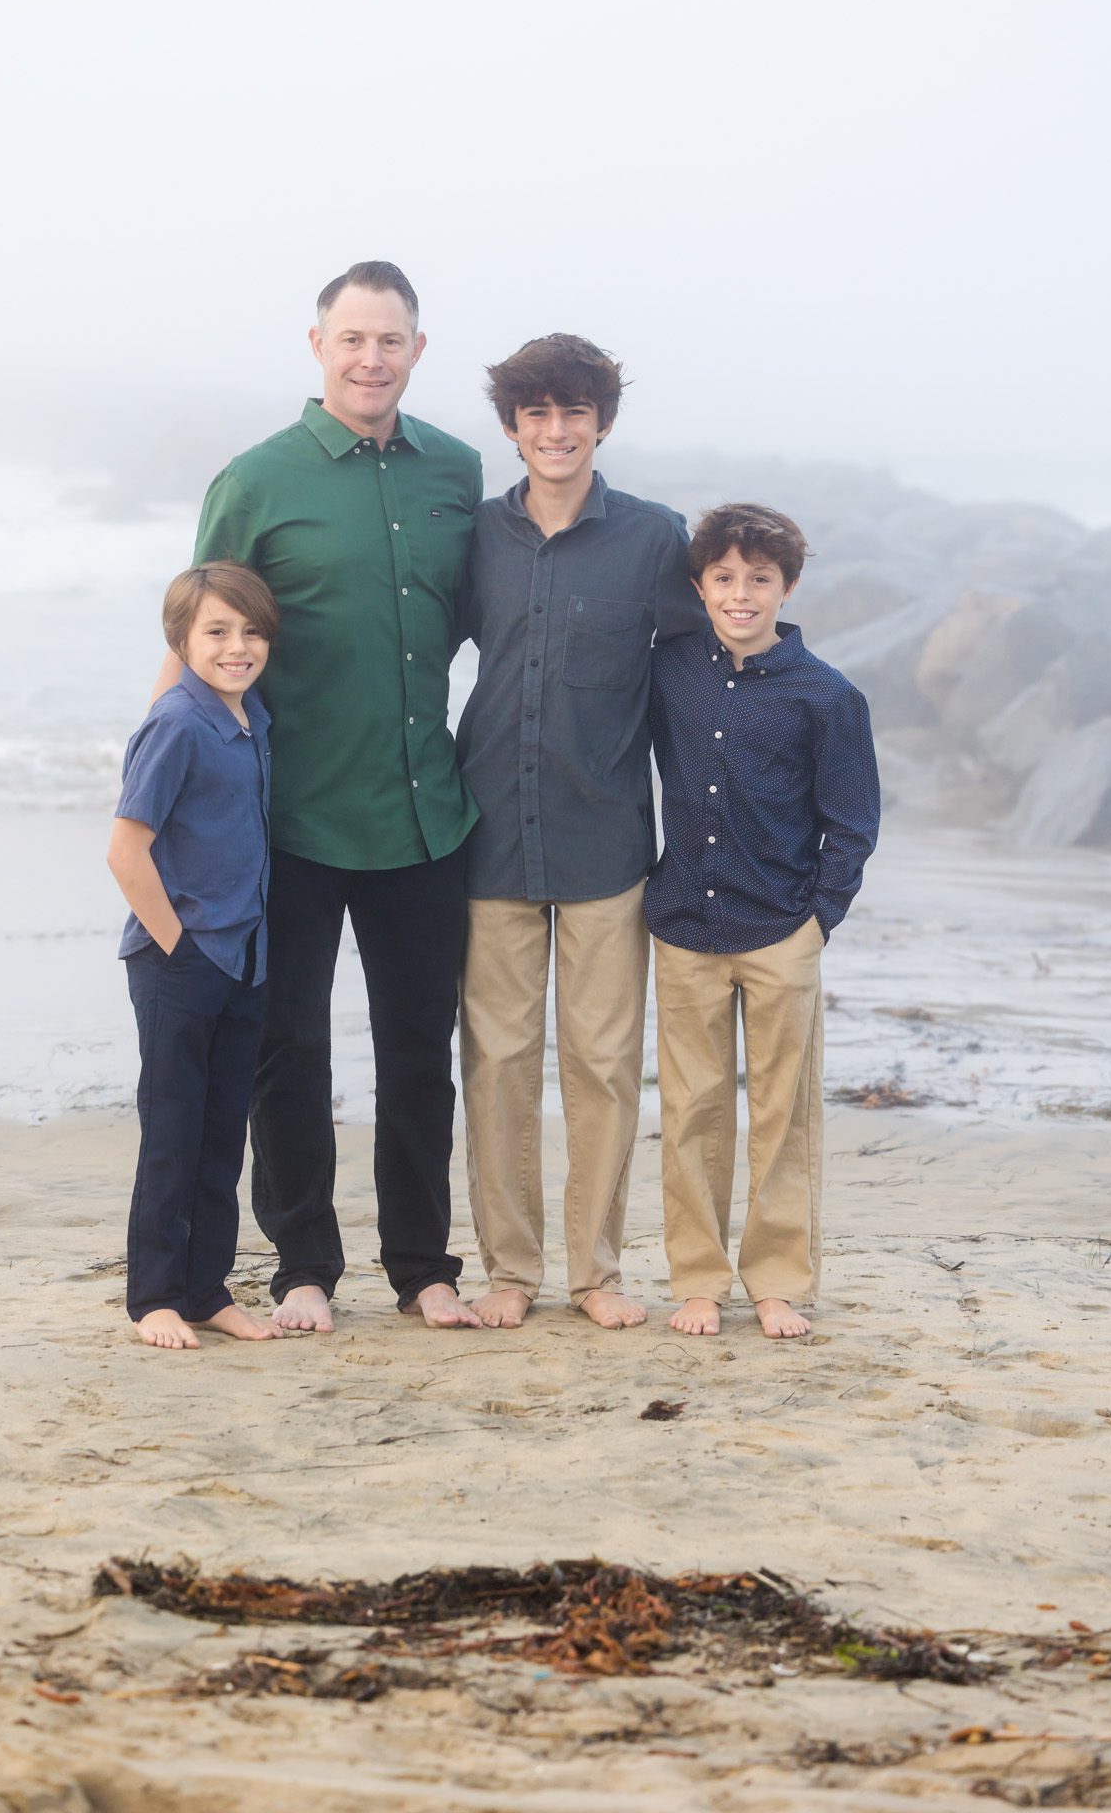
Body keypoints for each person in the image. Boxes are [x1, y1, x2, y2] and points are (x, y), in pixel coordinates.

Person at [150, 261, 483, 1332]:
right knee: (287, 1050)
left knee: (419, 1055)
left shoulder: (460, 471)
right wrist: (148, 810)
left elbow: (505, 626)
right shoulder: (256, 480)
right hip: (285, 824)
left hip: (428, 815)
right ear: (318, 345)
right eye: (352, 339)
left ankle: (426, 1264)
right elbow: (194, 642)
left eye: (390, 340)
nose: (371, 358)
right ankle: (303, 1264)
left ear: (417, 351)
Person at [455, 334, 699, 1328]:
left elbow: (687, 688)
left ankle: (595, 1272)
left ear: (602, 420)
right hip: (491, 835)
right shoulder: (475, 535)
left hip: (606, 842)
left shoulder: (653, 536)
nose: (556, 431)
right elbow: (425, 656)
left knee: (601, 1064)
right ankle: (510, 1268)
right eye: (537, 413)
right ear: (513, 426)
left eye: (574, 411)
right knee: (498, 1060)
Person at [647, 503, 880, 1339]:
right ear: (699, 586)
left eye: (758, 579)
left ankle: (778, 1280)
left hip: (781, 932)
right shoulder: (670, 667)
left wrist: (816, 921)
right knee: (690, 1116)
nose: (739, 594)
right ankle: (699, 1280)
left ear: (786, 586)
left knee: (783, 1115)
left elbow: (850, 823)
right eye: (722, 578)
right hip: (681, 925)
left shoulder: (827, 695)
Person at [108, 561, 283, 1349]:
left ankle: (207, 1288)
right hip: (181, 961)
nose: (236, 646)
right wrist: (178, 946)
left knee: (222, 1133)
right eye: (216, 631)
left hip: (244, 957)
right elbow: (124, 850)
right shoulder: (177, 722)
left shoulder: (248, 718)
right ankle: (154, 1298)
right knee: (174, 1129)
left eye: (250, 632)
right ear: (180, 640)